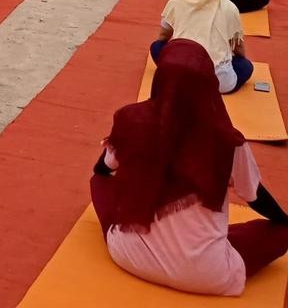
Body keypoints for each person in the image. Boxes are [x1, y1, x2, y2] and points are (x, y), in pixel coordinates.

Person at [90, 39, 288, 296]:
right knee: (278, 233)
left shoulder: (130, 120)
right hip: (207, 275)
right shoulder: (228, 142)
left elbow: (103, 170)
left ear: (159, 79)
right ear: (209, 84)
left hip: (129, 255)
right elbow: (254, 196)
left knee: (100, 183)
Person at [153, 0, 253, 94]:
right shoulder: (229, 7)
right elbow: (238, 48)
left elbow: (163, 36)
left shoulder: (176, 2)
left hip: (178, 76)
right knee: (245, 66)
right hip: (218, 82)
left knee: (157, 47)